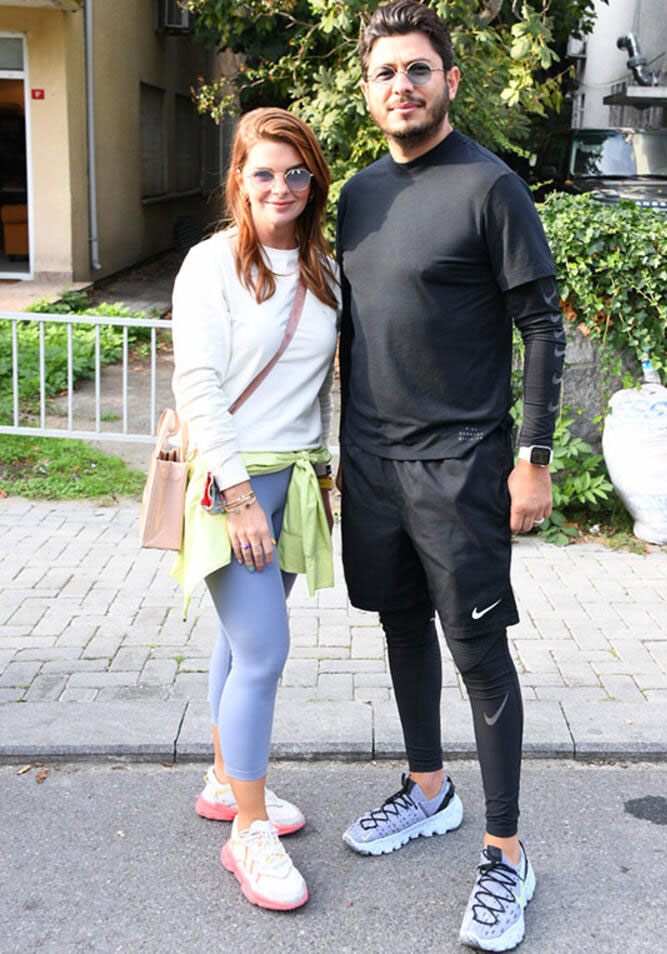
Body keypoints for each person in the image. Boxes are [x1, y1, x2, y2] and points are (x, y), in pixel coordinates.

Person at [336, 3, 565, 950]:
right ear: (368, 90)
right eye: (386, 72)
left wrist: (533, 459)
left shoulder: (490, 186)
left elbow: (542, 326)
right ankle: (429, 789)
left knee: (477, 653)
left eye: (418, 69)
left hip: (462, 464)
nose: (402, 85)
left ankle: (507, 854)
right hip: (370, 463)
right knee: (400, 625)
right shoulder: (355, 195)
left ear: (450, 81)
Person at [170, 107, 339, 912]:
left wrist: (323, 478)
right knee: (265, 653)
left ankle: (222, 779)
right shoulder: (211, 265)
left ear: (314, 181)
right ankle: (248, 828)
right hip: (231, 486)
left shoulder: (324, 270)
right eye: (263, 172)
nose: (281, 187)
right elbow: (198, 385)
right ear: (239, 179)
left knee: (240, 647)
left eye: (296, 172)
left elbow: (320, 386)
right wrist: (238, 496)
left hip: (295, 481)